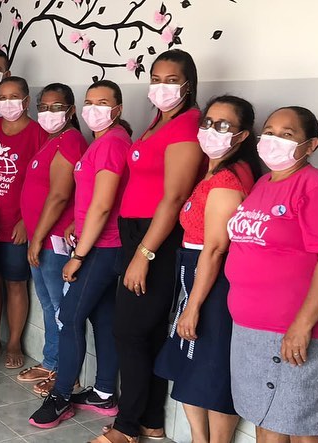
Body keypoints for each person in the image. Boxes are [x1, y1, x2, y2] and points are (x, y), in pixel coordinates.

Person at [93, 49, 203, 443]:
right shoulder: (160, 121)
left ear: (188, 84)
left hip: (156, 239)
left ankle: (126, 426)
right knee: (148, 331)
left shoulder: (187, 126)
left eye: (171, 80)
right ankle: (152, 419)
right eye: (156, 79)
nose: (161, 87)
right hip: (138, 234)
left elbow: (174, 198)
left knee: (128, 332)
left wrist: (144, 254)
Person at [226, 106, 318, 443]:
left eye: (287, 134)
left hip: (298, 332)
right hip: (251, 330)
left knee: (303, 426)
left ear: (311, 145)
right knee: (264, 418)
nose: (274, 140)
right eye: (269, 132)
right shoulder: (263, 183)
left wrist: (301, 326)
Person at [153, 95, 261, 442]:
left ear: (242, 135)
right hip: (195, 275)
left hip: (212, 282)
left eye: (223, 125)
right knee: (190, 363)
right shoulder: (213, 171)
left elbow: (215, 248)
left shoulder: (228, 180)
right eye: (208, 122)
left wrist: (194, 306)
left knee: (212, 370)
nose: (212, 130)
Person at [29, 80, 131, 428]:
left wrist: (79, 256)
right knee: (102, 317)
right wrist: (77, 222)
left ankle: (60, 397)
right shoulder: (102, 142)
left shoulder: (113, 143)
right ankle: (103, 393)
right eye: (90, 101)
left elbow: (103, 206)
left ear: (118, 109)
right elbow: (92, 199)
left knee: (69, 317)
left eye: (103, 102)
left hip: (103, 247)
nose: (93, 109)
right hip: (95, 241)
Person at [18, 83, 88, 395]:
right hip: (40, 238)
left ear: (71, 110)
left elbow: (59, 195)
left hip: (54, 240)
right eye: (43, 107)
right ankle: (51, 361)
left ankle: (64, 372)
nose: (48, 113)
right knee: (48, 303)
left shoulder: (70, 140)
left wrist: (37, 239)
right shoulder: (51, 140)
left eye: (56, 107)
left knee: (61, 307)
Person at [0, 76, 46, 368]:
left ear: (26, 101)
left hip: (19, 225)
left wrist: (27, 221)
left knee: (16, 284)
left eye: (13, 97)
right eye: (2, 97)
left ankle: (14, 341)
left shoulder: (39, 133)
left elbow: (46, 183)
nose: (7, 103)